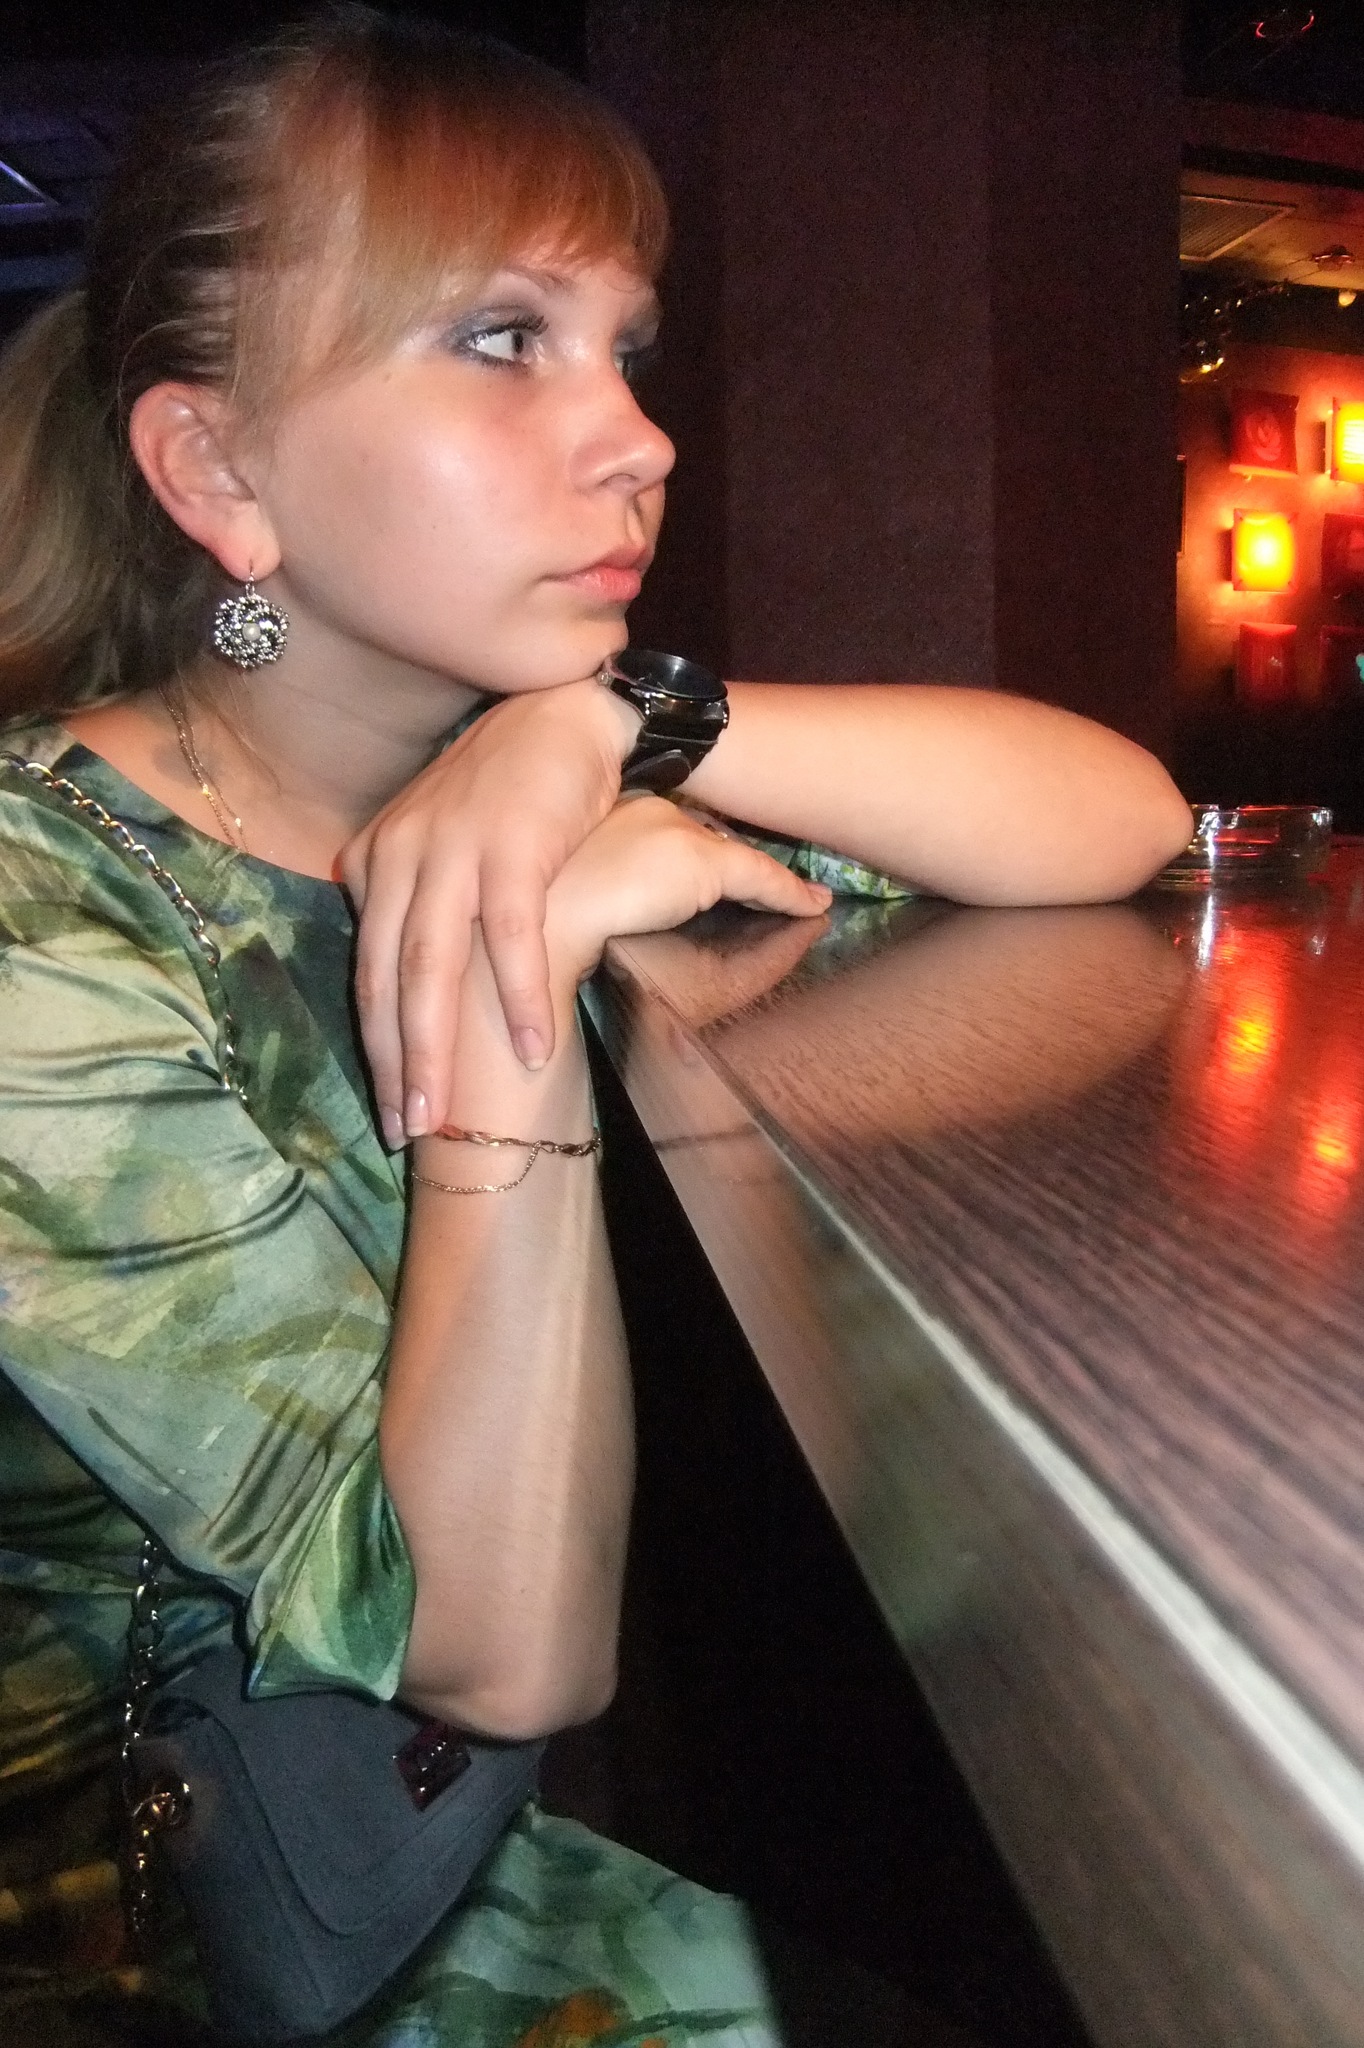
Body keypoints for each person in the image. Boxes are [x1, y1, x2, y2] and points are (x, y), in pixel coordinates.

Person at [0, 10, 1192, 2045]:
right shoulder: (45, 911)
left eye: (624, 346)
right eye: (502, 337)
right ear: (216, 468)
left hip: (414, 1867)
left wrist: (615, 715)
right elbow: (506, 1647)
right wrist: (517, 977)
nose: (638, 436)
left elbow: (1117, 818)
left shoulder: (496, 770)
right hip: (159, 1950)